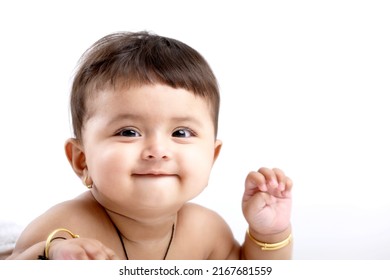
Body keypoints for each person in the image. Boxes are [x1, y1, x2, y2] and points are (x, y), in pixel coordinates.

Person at [8, 31, 293, 260]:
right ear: (82, 161)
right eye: (129, 132)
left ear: (212, 156)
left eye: (181, 133)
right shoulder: (65, 226)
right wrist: (52, 254)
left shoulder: (206, 231)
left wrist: (269, 234)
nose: (158, 150)